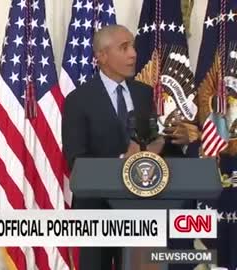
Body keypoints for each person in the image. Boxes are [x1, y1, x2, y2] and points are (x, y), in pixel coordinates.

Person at [62, 24, 192, 270]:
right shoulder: (78, 100)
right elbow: (76, 162)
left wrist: (177, 141)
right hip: (97, 213)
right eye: (124, 48)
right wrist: (124, 159)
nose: (133, 53)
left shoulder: (144, 94)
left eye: (132, 46)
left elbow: (156, 145)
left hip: (143, 211)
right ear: (101, 56)